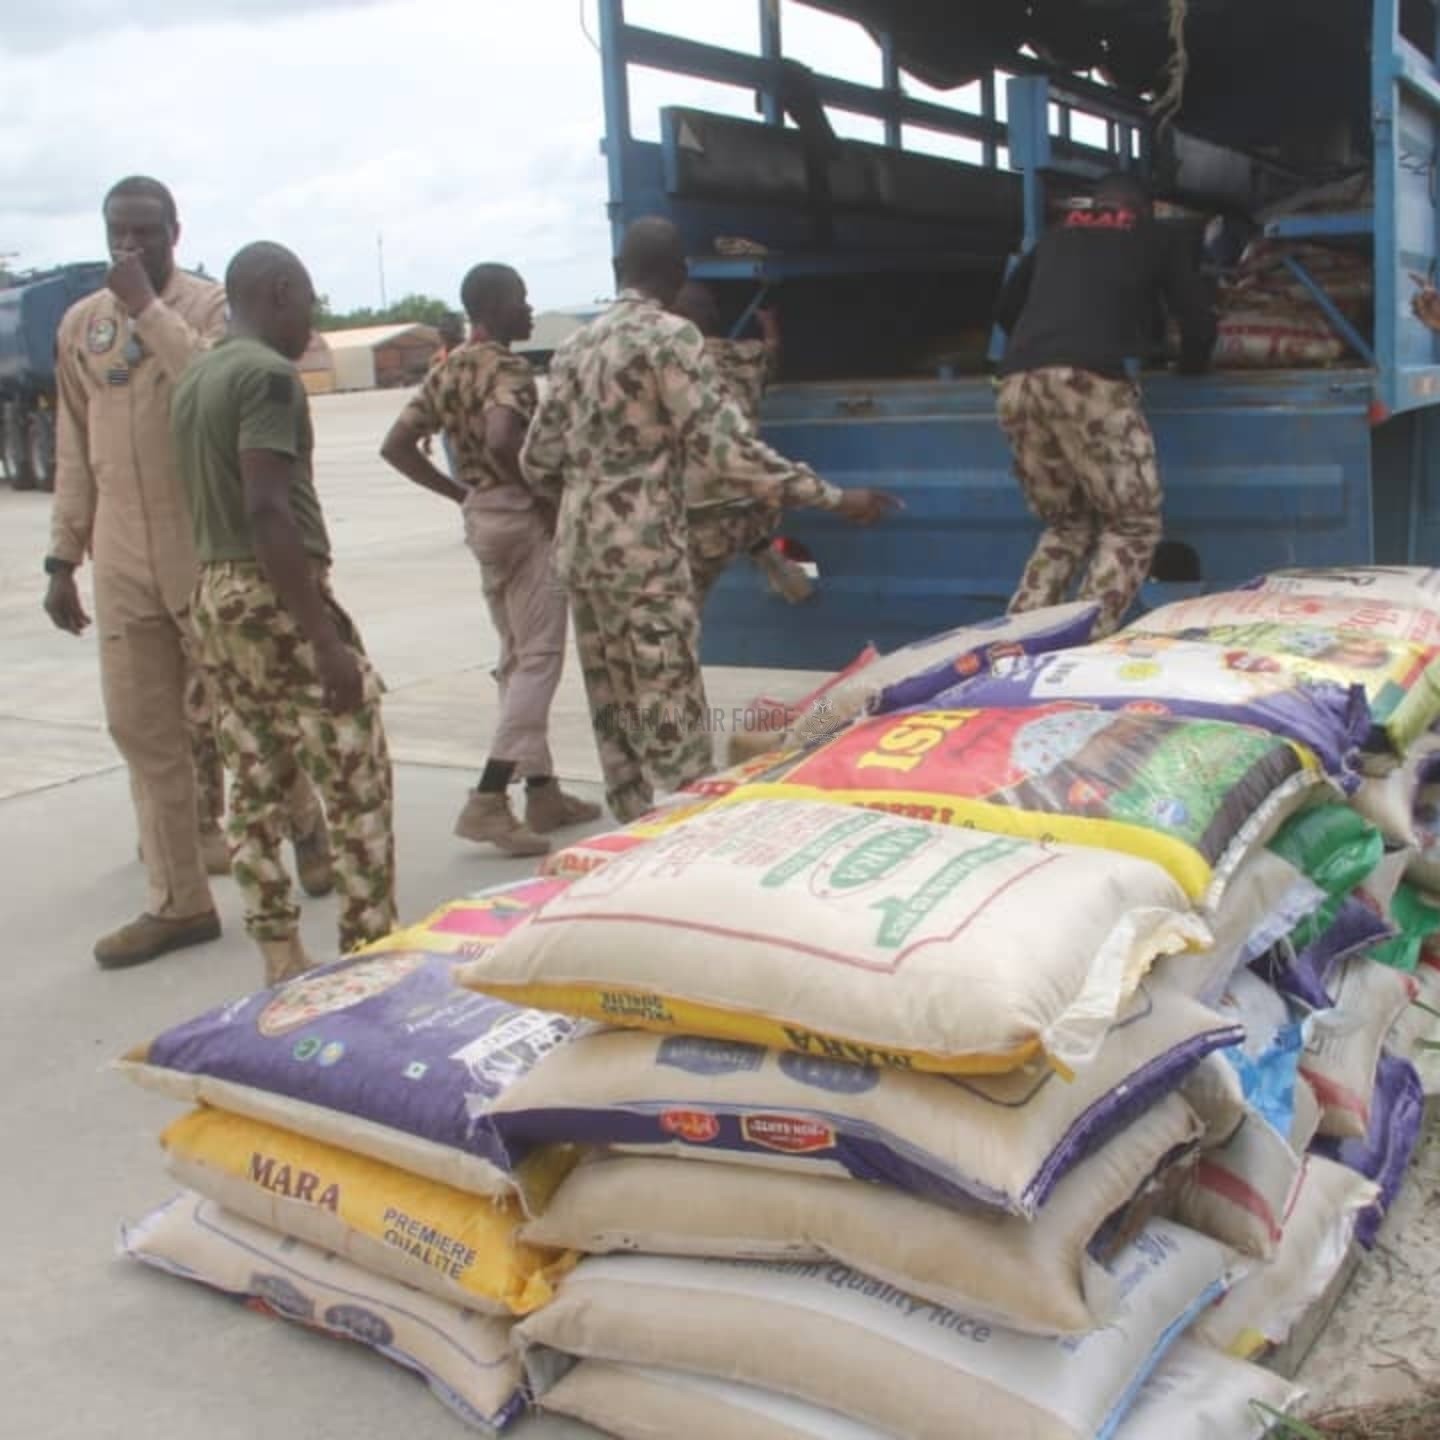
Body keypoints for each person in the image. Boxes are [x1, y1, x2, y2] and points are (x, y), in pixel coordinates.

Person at [521, 216, 898, 823]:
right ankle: (683, 842)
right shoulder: (672, 338)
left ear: (619, 270)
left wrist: (585, 505)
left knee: (617, 717)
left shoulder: (574, 347)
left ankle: (628, 847)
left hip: (582, 560)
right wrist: (833, 496)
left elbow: (536, 460)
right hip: (645, 561)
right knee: (671, 721)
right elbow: (728, 453)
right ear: (676, 275)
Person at [43, 176, 328, 971]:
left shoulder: (205, 310)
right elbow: (75, 444)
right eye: (116, 235)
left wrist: (147, 306)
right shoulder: (80, 326)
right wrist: (65, 555)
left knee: (244, 716)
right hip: (121, 552)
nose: (129, 249)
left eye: (145, 233)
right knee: (143, 730)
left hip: (204, 545)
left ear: (175, 230)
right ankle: (179, 902)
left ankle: (304, 820)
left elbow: (217, 383)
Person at [171, 241, 396, 984]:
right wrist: (325, 640)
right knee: (354, 772)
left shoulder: (197, 374)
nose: (311, 320)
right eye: (306, 301)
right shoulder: (266, 376)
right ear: (276, 291)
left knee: (255, 778)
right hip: (273, 592)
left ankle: (278, 954)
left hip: (213, 595)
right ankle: (370, 954)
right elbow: (267, 510)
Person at [380, 262, 600, 854]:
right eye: (522, 300)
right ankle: (488, 798)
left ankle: (544, 791)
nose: (529, 310)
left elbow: (396, 445)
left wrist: (462, 493)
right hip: (520, 520)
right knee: (540, 659)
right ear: (497, 304)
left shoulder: (447, 371)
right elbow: (505, 436)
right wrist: (534, 496)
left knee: (513, 657)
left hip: (482, 517)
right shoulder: (506, 369)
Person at [993, 171, 1215, 638]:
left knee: (1067, 525)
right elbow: (1195, 317)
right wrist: (1191, 364)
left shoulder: (1057, 236)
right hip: (1086, 380)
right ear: (1144, 208)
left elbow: (1007, 306)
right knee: (1133, 525)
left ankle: (1014, 642)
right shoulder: (1157, 237)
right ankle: (1083, 642)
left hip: (1016, 382)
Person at [669, 280, 813, 607]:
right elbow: (772, 352)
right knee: (743, 509)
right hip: (749, 494)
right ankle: (771, 559)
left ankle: (766, 556)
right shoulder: (748, 355)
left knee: (686, 603)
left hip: (701, 506)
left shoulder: (672, 364)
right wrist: (769, 324)